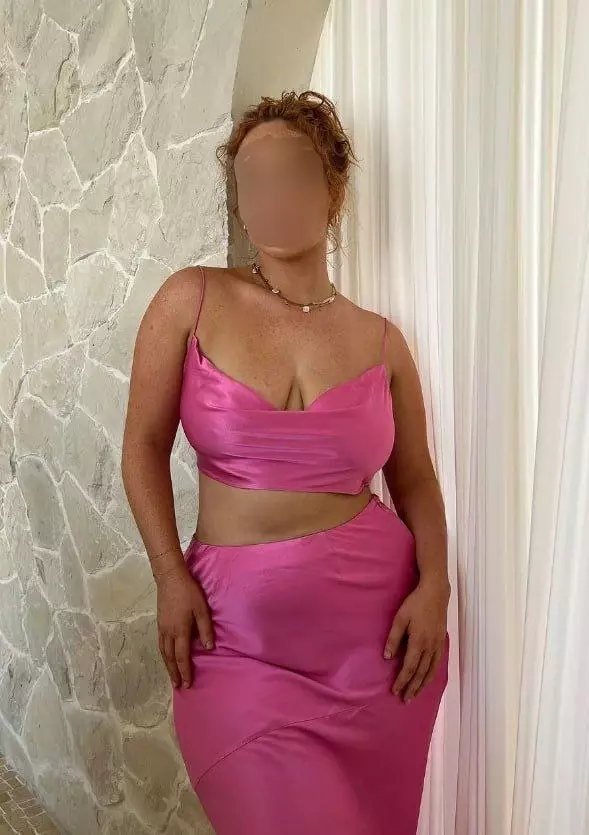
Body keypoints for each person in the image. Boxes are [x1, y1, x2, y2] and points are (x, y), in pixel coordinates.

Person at [122, 90, 450, 835]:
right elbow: (142, 445)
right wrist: (169, 573)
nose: (273, 194)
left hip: (376, 648)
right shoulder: (192, 299)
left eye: (294, 172)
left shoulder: (381, 340)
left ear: (333, 188)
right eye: (254, 178)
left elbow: (416, 480)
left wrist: (435, 587)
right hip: (234, 638)